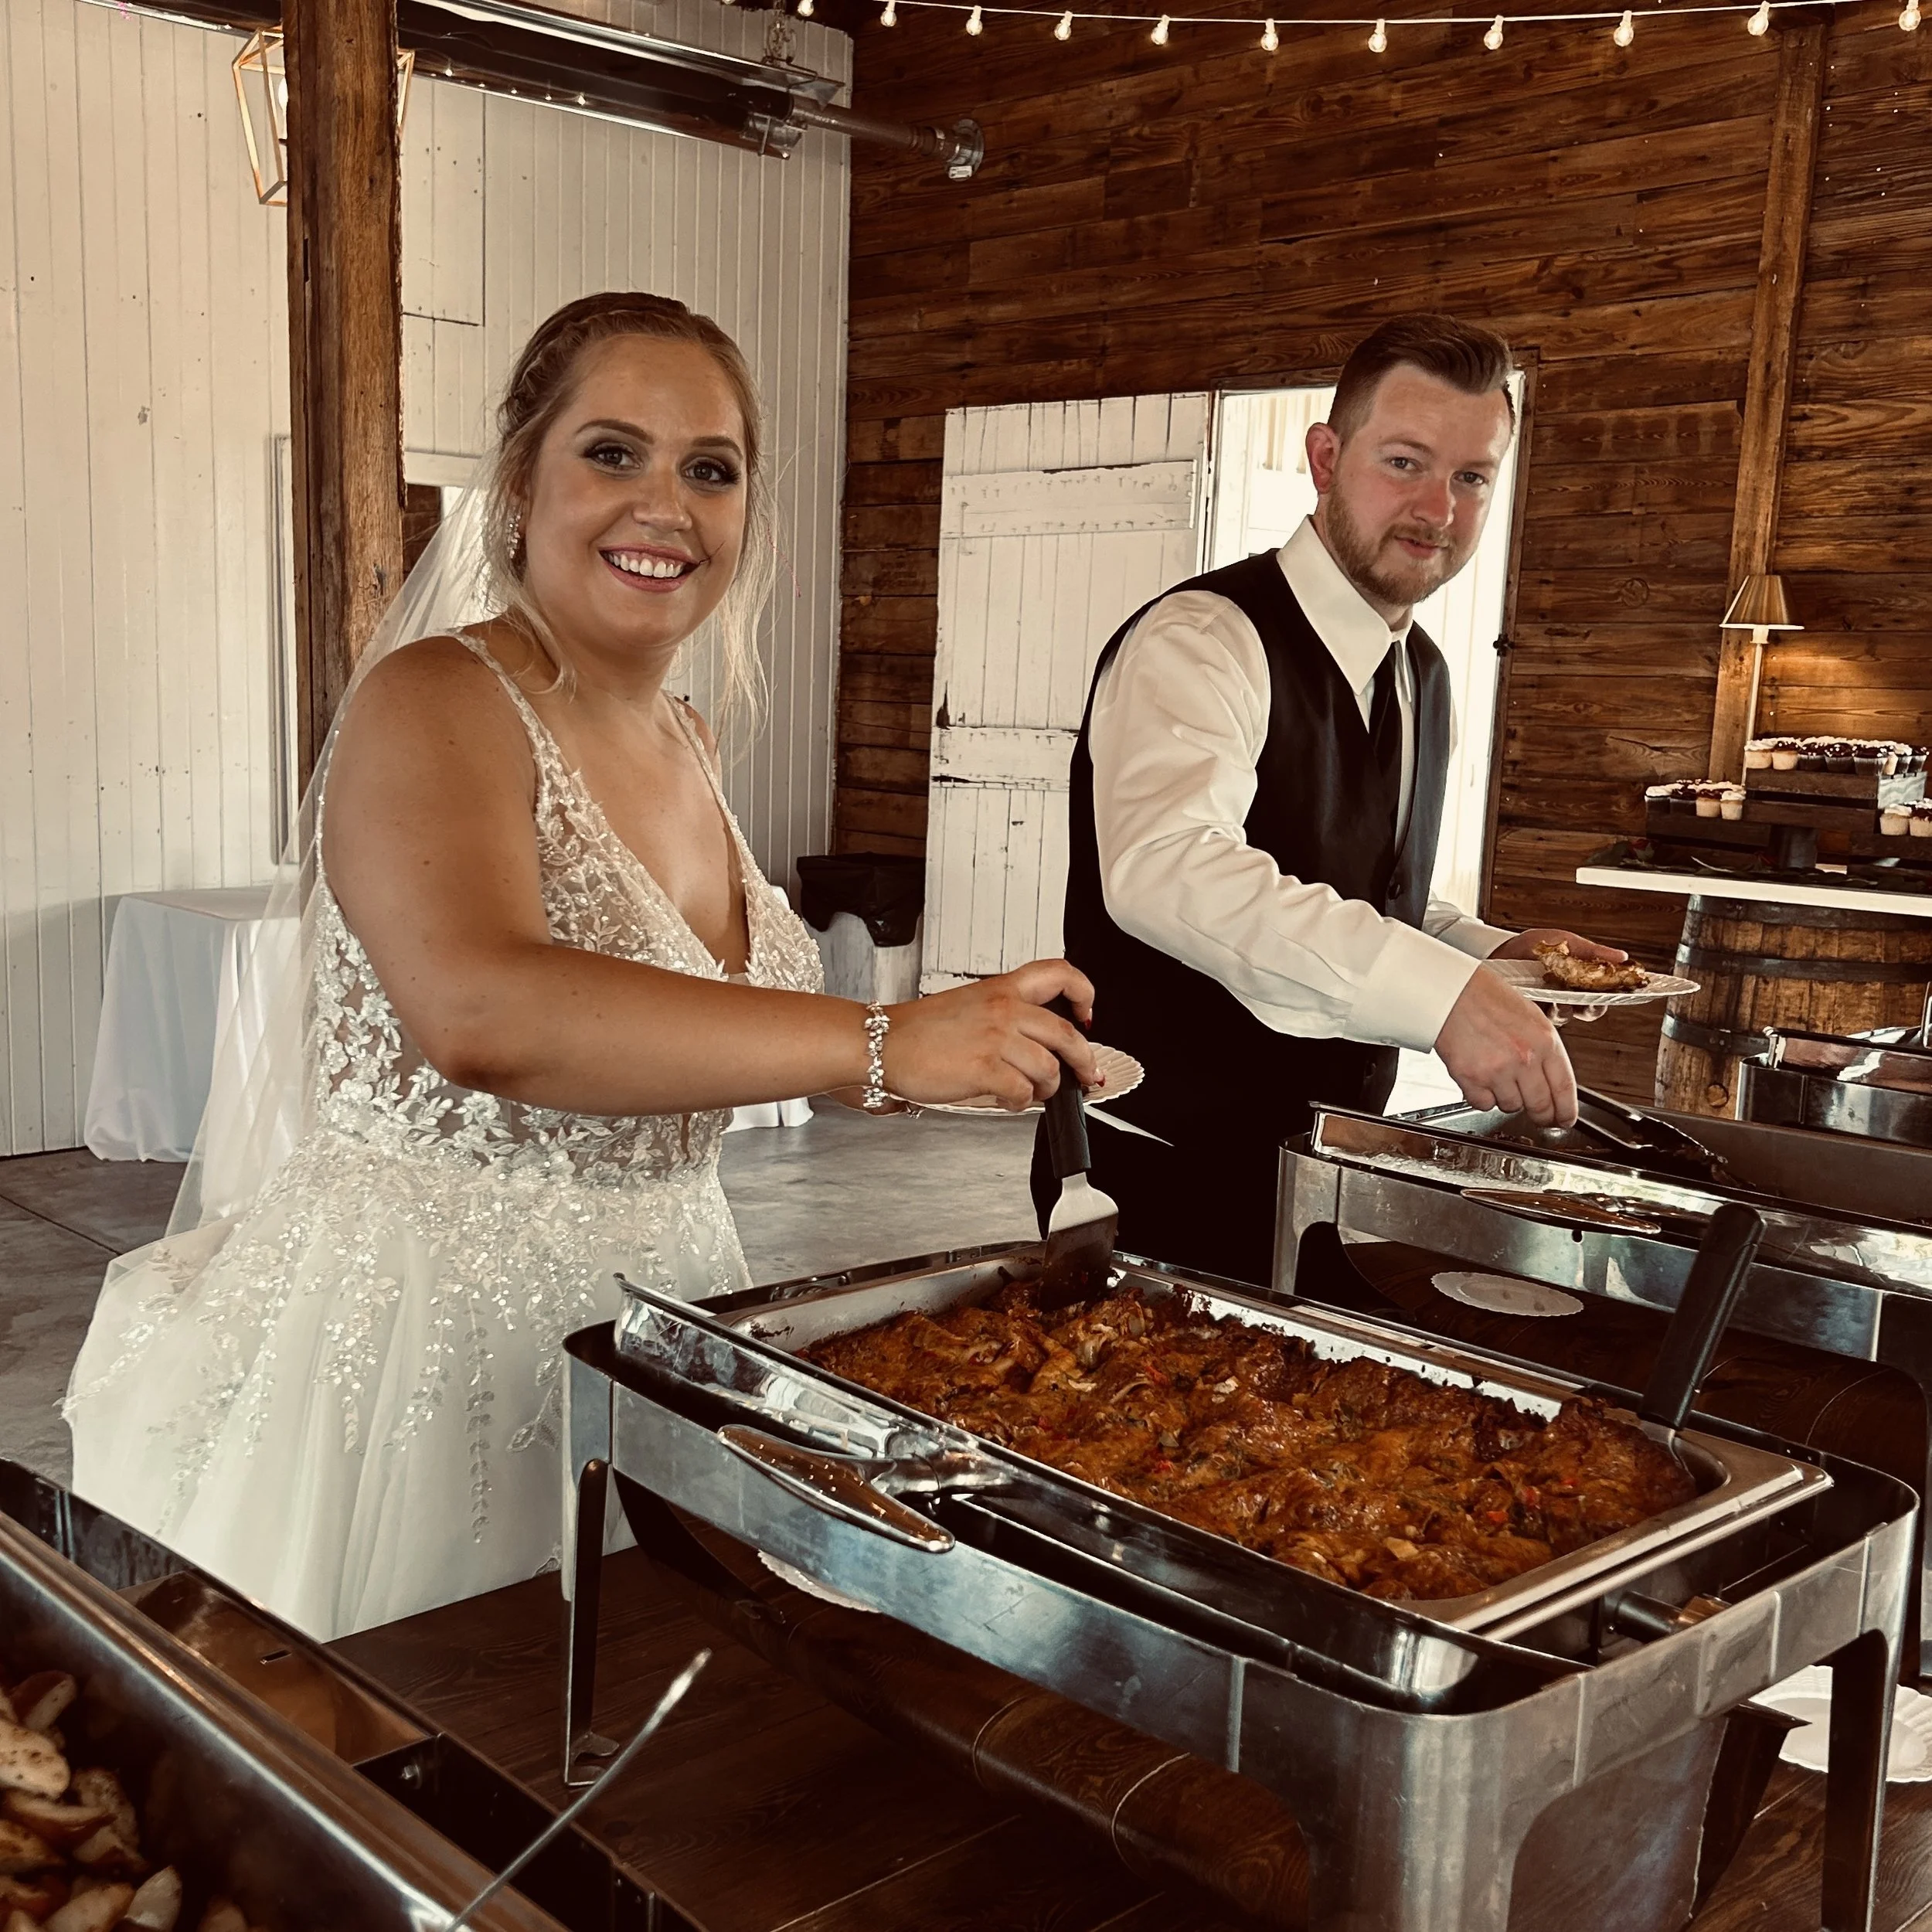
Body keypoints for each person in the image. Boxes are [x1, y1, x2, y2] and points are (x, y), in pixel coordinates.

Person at [66, 292, 1095, 1641]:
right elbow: (480, 1010)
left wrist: (962, 1048)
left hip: (665, 1313)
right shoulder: (436, 699)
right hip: (423, 1337)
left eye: (708, 469)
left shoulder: (691, 738)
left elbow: (713, 1035)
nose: (663, 503)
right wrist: (881, 1042)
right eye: (613, 453)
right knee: (427, 1725)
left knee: (632, 1710)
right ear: (520, 484)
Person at [1035, 314, 1624, 1286]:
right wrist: (1442, 1000)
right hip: (1156, 1171)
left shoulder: (1425, 674)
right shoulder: (1202, 638)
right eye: (1405, 461)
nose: (1437, 506)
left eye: (1472, 477)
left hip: (1329, 1167)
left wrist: (1486, 955)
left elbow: (1366, 885)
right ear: (1323, 456)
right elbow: (1165, 867)